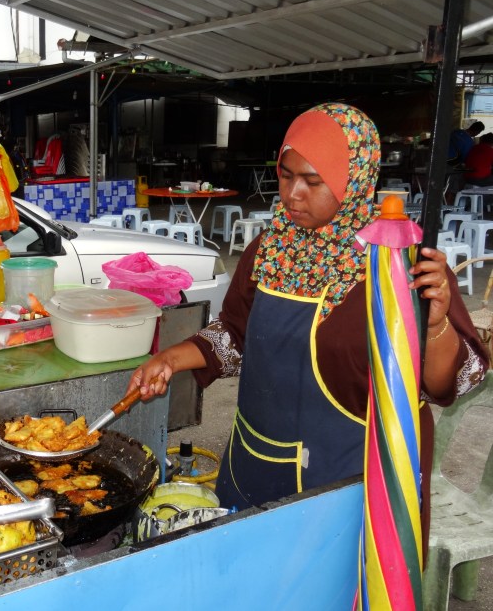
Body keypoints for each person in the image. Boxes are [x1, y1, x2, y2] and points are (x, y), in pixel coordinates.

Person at [127, 103, 488, 541]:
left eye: (313, 181)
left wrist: (434, 326)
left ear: (354, 181)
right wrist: (171, 359)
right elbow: (234, 335)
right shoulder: (270, 248)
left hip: (347, 484)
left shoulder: (399, 266)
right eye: (285, 174)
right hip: (254, 462)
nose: (292, 194)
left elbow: (443, 386)